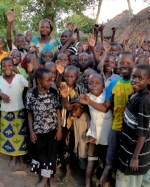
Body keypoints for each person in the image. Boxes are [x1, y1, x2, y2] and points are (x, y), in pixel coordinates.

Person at [26, 68, 62, 187]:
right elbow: (30, 113)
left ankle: (51, 179)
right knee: (41, 154)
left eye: (51, 80)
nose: (50, 82)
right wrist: (31, 131)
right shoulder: (31, 94)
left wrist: (60, 129)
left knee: (52, 154)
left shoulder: (53, 92)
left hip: (52, 130)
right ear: (39, 81)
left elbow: (58, 111)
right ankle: (44, 178)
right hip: (38, 130)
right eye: (48, 80)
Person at [116, 64, 150, 187]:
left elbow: (143, 132)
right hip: (128, 147)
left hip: (134, 153)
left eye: (140, 78)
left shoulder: (144, 100)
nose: (135, 80)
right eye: (133, 77)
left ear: (148, 80)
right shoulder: (135, 95)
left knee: (127, 182)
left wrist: (135, 157)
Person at [79, 73, 113, 187]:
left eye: (97, 83)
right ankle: (87, 184)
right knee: (91, 161)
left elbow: (104, 109)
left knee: (107, 163)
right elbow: (74, 105)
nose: (94, 85)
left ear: (103, 85)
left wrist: (89, 102)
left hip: (107, 136)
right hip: (94, 134)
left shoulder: (108, 97)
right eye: (91, 83)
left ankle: (105, 184)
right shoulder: (87, 97)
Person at [0, 57, 29, 169]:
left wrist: (27, 72)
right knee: (9, 135)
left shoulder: (19, 77)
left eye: (9, 65)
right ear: (1, 67)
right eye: (4, 66)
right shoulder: (0, 79)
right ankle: (13, 158)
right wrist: (0, 94)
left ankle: (21, 158)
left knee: (21, 136)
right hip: (6, 112)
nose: (7, 68)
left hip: (19, 111)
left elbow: (29, 85)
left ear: (13, 66)